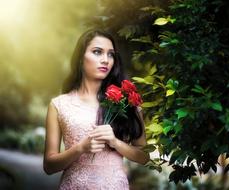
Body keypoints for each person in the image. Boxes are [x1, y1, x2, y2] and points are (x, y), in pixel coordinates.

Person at [43, 29, 150, 189]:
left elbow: (144, 156)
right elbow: (49, 166)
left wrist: (115, 142)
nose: (106, 60)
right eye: (97, 52)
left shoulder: (125, 104)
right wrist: (80, 148)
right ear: (80, 58)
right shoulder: (59, 105)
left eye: (111, 54)